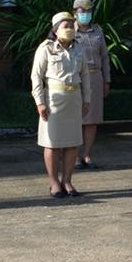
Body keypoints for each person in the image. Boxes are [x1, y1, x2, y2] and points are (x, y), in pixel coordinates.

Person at [31, 11, 90, 199]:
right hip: (54, 102)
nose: (70, 29)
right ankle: (54, 183)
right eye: (66, 26)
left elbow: (85, 77)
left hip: (74, 100)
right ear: (55, 30)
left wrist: (87, 99)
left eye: (71, 26)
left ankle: (67, 181)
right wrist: (40, 102)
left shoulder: (78, 48)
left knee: (72, 144)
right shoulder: (46, 48)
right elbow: (36, 76)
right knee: (53, 144)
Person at [72, 0, 110, 171]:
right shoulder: (69, 31)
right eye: (82, 11)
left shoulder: (98, 31)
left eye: (88, 11)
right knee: (76, 119)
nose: (85, 14)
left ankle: (87, 154)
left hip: (95, 77)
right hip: (77, 79)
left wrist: (107, 80)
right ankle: (75, 156)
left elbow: (104, 56)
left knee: (91, 120)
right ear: (75, 13)